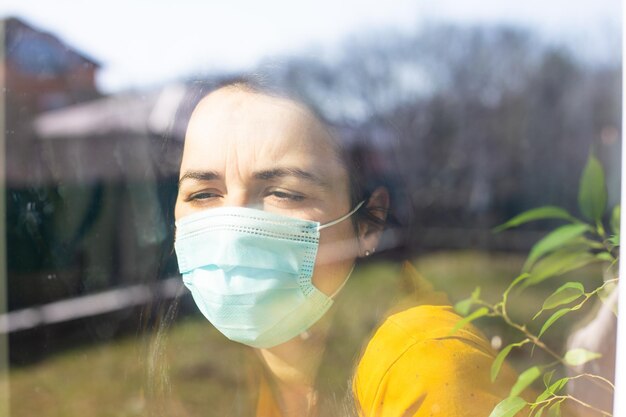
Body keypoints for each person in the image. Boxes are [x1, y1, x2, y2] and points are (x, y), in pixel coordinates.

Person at [168, 78, 523, 417]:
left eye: (284, 193)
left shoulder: (429, 366)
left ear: (369, 224)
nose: (234, 233)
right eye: (203, 194)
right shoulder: (249, 366)